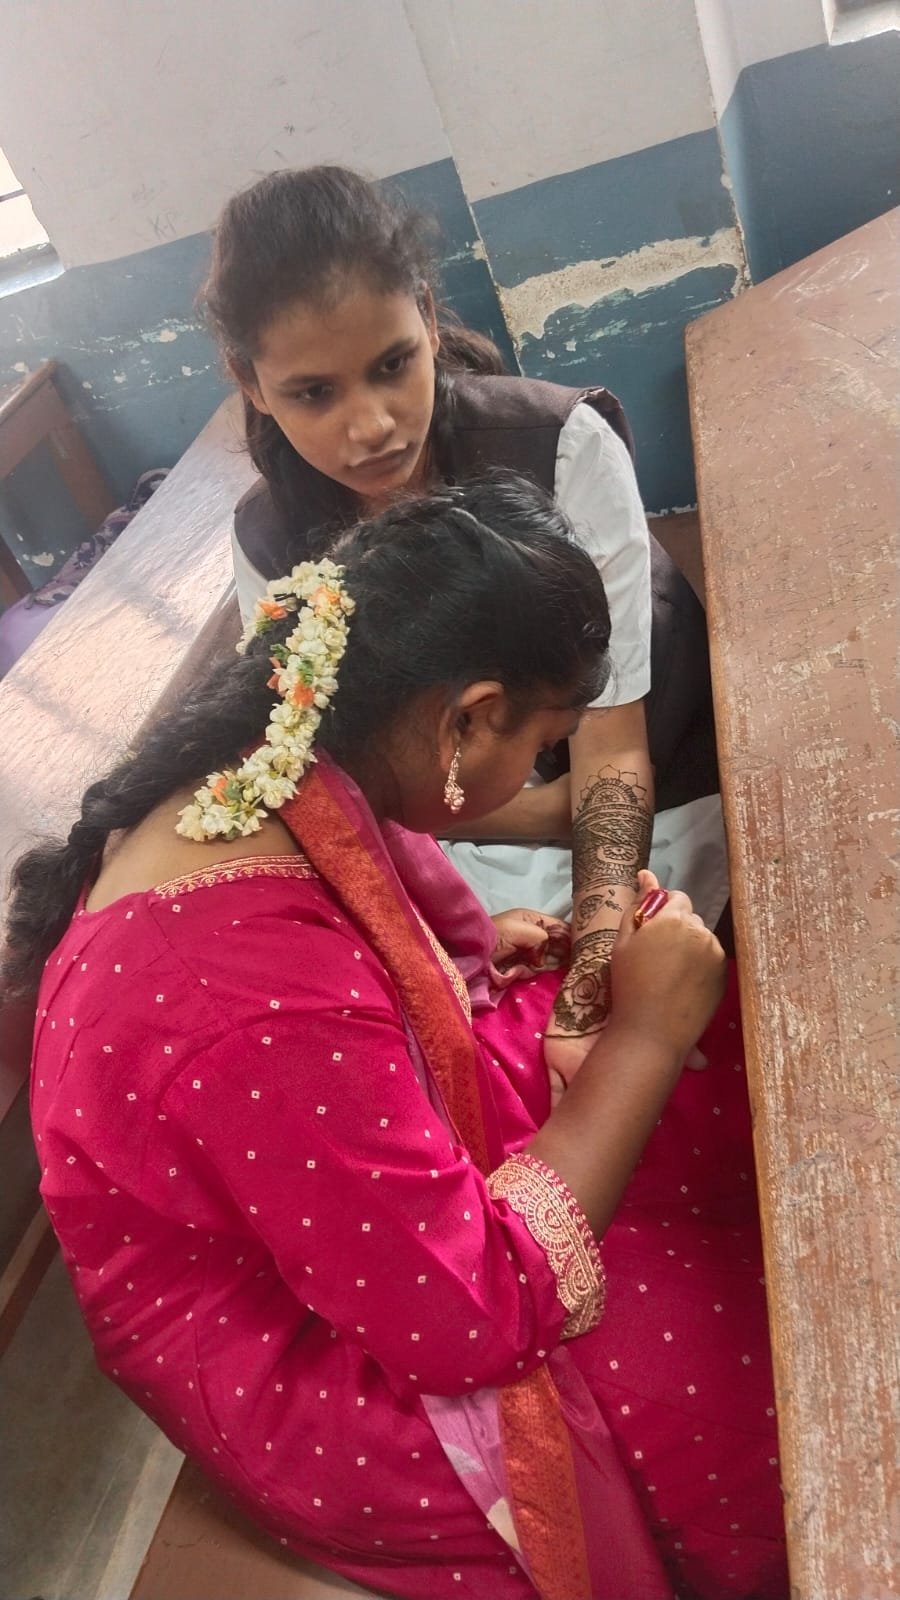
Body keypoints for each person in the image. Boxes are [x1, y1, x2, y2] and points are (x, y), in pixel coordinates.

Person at [7, 478, 786, 1600]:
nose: (548, 767)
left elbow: (356, 955)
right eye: (548, 743)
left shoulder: (290, 741)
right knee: (754, 1400)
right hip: (315, 1357)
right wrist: (645, 1042)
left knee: (734, 1081)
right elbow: (473, 1316)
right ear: (467, 720)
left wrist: (482, 958)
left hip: (332, 1163)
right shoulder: (246, 996)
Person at [203, 165, 729, 1094]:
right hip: (445, 842)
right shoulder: (272, 539)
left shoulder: (560, 446)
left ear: (427, 315)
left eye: (393, 364)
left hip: (641, 799)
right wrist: (494, 861)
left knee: (643, 1049)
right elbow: (337, 776)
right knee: (460, 1070)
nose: (371, 426)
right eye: (314, 393)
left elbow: (613, 752)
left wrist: (588, 984)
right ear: (251, 383)